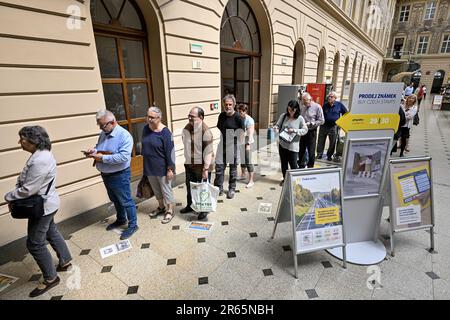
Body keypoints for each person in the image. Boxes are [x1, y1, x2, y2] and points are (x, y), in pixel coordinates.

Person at [4, 126, 72, 298]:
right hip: (47, 203)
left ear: (33, 141)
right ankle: (65, 261)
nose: (19, 142)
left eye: (22, 139)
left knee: (34, 243)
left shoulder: (40, 159)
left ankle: (51, 278)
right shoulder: (41, 154)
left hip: (42, 207)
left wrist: (9, 196)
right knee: (51, 231)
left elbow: (29, 189)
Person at [85, 110, 139, 239]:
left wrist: (102, 158)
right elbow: (100, 147)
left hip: (119, 174)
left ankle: (133, 225)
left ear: (113, 122)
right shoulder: (104, 133)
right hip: (106, 173)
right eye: (99, 125)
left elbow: (123, 157)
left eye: (103, 125)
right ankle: (121, 219)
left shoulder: (124, 136)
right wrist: (94, 151)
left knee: (126, 201)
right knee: (115, 199)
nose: (101, 128)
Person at [142, 106, 176, 224]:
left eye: (152, 117)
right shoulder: (146, 129)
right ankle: (161, 207)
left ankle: (170, 210)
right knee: (156, 189)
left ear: (159, 118)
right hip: (149, 166)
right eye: (148, 116)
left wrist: (170, 169)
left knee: (166, 189)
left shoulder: (165, 132)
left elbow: (170, 152)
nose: (149, 119)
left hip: (162, 167)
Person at [180, 107, 214, 220]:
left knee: (203, 188)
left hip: (202, 166)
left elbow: (208, 152)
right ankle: (190, 205)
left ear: (201, 118)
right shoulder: (188, 126)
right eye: (189, 115)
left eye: (192, 116)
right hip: (190, 164)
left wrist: (205, 169)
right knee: (190, 186)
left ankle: (204, 210)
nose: (189, 118)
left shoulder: (206, 132)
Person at [214, 94, 245, 199]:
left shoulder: (239, 118)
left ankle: (232, 188)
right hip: (222, 144)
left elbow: (241, 134)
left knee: (233, 169)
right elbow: (220, 129)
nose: (228, 106)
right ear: (223, 105)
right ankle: (219, 188)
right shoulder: (221, 116)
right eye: (226, 104)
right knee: (219, 168)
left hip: (233, 146)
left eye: (230, 104)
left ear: (234, 105)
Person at [273, 100, 308, 185]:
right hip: (282, 144)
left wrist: (295, 130)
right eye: (288, 109)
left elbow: (305, 130)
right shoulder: (284, 116)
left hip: (293, 146)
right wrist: (276, 128)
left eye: (292, 110)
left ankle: (294, 182)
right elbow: (277, 125)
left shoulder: (300, 118)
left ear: (296, 109)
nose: (290, 112)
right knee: (284, 164)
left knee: (293, 165)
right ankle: (285, 179)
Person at [316, 91, 348, 161]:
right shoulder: (325, 105)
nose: (329, 98)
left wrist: (341, 122)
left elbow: (346, 113)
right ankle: (319, 154)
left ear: (335, 98)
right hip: (324, 126)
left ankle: (329, 155)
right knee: (321, 141)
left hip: (334, 127)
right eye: (329, 96)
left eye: (331, 96)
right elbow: (321, 115)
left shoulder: (339, 105)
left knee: (332, 142)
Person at [298, 92, 324, 168]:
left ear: (310, 99)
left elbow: (322, 120)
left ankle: (310, 167)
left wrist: (311, 123)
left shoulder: (317, 107)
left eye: (305, 102)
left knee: (311, 151)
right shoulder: (303, 106)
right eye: (303, 102)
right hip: (303, 131)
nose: (304, 104)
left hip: (311, 132)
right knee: (301, 150)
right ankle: (301, 165)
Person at [237, 104, 256, 188]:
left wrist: (248, 144)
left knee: (248, 160)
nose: (239, 113)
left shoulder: (249, 120)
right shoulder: (239, 118)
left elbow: (250, 134)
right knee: (242, 159)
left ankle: (251, 180)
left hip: (248, 142)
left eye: (240, 112)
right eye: (238, 111)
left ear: (245, 111)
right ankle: (243, 174)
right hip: (241, 141)